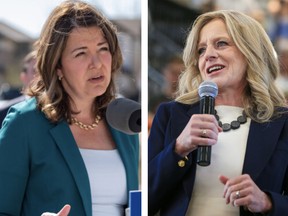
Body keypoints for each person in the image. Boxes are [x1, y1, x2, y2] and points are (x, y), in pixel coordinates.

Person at [0, 1, 139, 216]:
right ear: (58, 67)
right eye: (81, 53)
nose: (97, 63)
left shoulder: (123, 122)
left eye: (103, 49)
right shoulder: (25, 124)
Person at [148, 10, 288, 216]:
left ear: (251, 51)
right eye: (201, 50)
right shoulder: (171, 115)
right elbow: (145, 201)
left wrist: (267, 202)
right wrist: (178, 149)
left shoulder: (282, 122)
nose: (209, 55)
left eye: (221, 43)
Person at [0, 50, 36, 126]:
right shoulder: (5, 113)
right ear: (24, 77)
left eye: (44, 71)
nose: (41, 76)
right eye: (35, 71)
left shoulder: (61, 113)